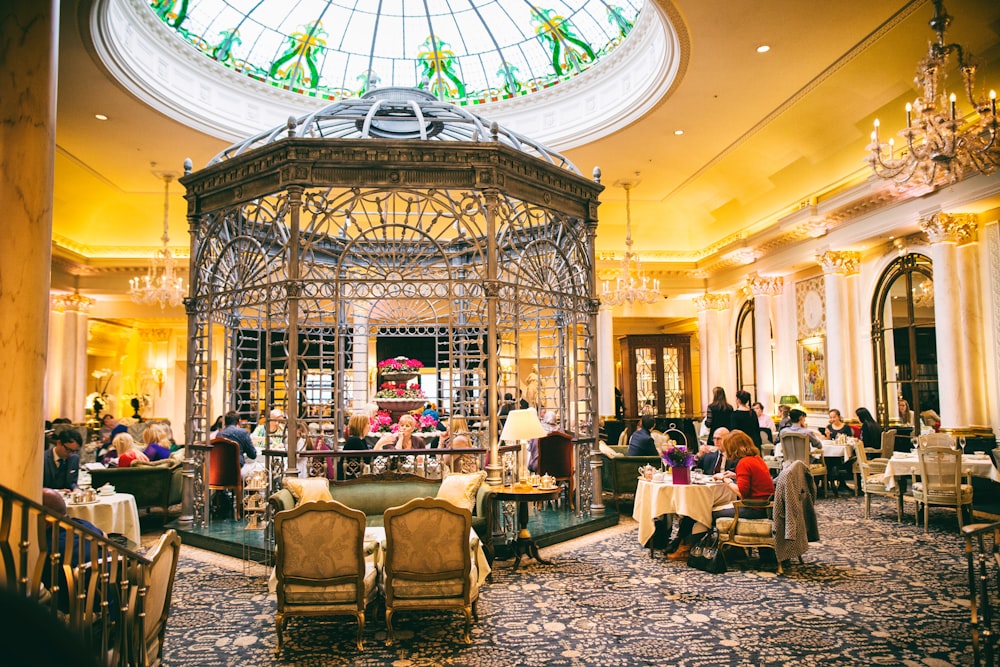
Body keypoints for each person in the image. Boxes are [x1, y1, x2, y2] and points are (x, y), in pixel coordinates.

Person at [669, 430, 774, 561]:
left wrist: (726, 480)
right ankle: (734, 549)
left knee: (708, 513)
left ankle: (686, 548)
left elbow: (742, 492)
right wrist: (735, 476)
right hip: (765, 507)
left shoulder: (744, 463)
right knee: (709, 510)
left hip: (754, 508)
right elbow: (753, 480)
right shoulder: (756, 459)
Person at [217, 410, 260, 477]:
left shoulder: (219, 434)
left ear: (225, 423)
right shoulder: (243, 433)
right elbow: (252, 455)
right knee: (259, 466)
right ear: (239, 422)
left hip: (221, 469)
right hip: (238, 469)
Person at [339, 413, 372, 479]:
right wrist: (380, 443)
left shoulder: (361, 439)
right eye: (368, 423)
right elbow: (368, 460)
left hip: (354, 476)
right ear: (361, 425)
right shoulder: (355, 440)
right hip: (349, 478)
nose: (370, 426)